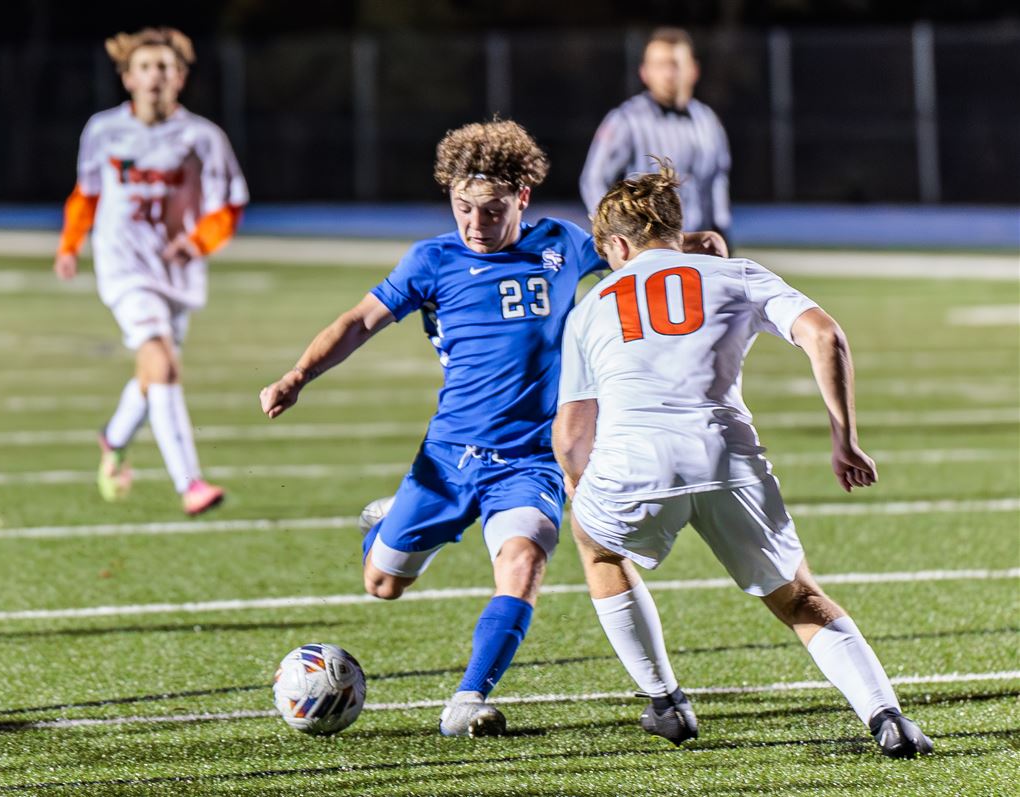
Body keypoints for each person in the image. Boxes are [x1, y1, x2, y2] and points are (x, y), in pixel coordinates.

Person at [261, 119, 725, 737]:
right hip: (448, 456)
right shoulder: (432, 259)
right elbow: (358, 322)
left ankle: (467, 699)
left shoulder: (562, 243)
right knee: (382, 585)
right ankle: (385, 526)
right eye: (463, 208)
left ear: (522, 200)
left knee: (523, 562)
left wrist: (693, 243)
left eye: (491, 209)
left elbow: (635, 251)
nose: (475, 224)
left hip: (531, 458)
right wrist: (298, 375)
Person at [552, 164, 934, 758]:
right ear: (675, 233)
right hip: (727, 455)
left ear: (618, 247)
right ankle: (887, 716)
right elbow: (825, 335)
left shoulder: (590, 307)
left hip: (635, 461)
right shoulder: (736, 273)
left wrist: (582, 488)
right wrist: (844, 438)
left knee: (596, 545)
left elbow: (573, 433)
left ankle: (666, 702)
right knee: (799, 597)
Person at [54, 27, 248, 515]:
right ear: (127, 78)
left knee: (151, 373)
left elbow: (229, 207)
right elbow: (87, 194)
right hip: (123, 266)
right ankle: (191, 484)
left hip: (176, 272)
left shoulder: (202, 137)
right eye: (145, 67)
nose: (155, 75)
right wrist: (70, 244)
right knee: (162, 364)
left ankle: (113, 436)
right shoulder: (103, 130)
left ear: (180, 77)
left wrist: (198, 241)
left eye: (164, 66)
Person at [580, 27, 731, 244]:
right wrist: (612, 234)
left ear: (693, 70)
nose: (669, 74)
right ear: (645, 72)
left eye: (675, 64)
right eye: (660, 65)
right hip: (647, 246)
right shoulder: (625, 119)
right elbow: (594, 180)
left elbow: (717, 178)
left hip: (697, 242)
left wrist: (722, 228)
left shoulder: (708, 120)